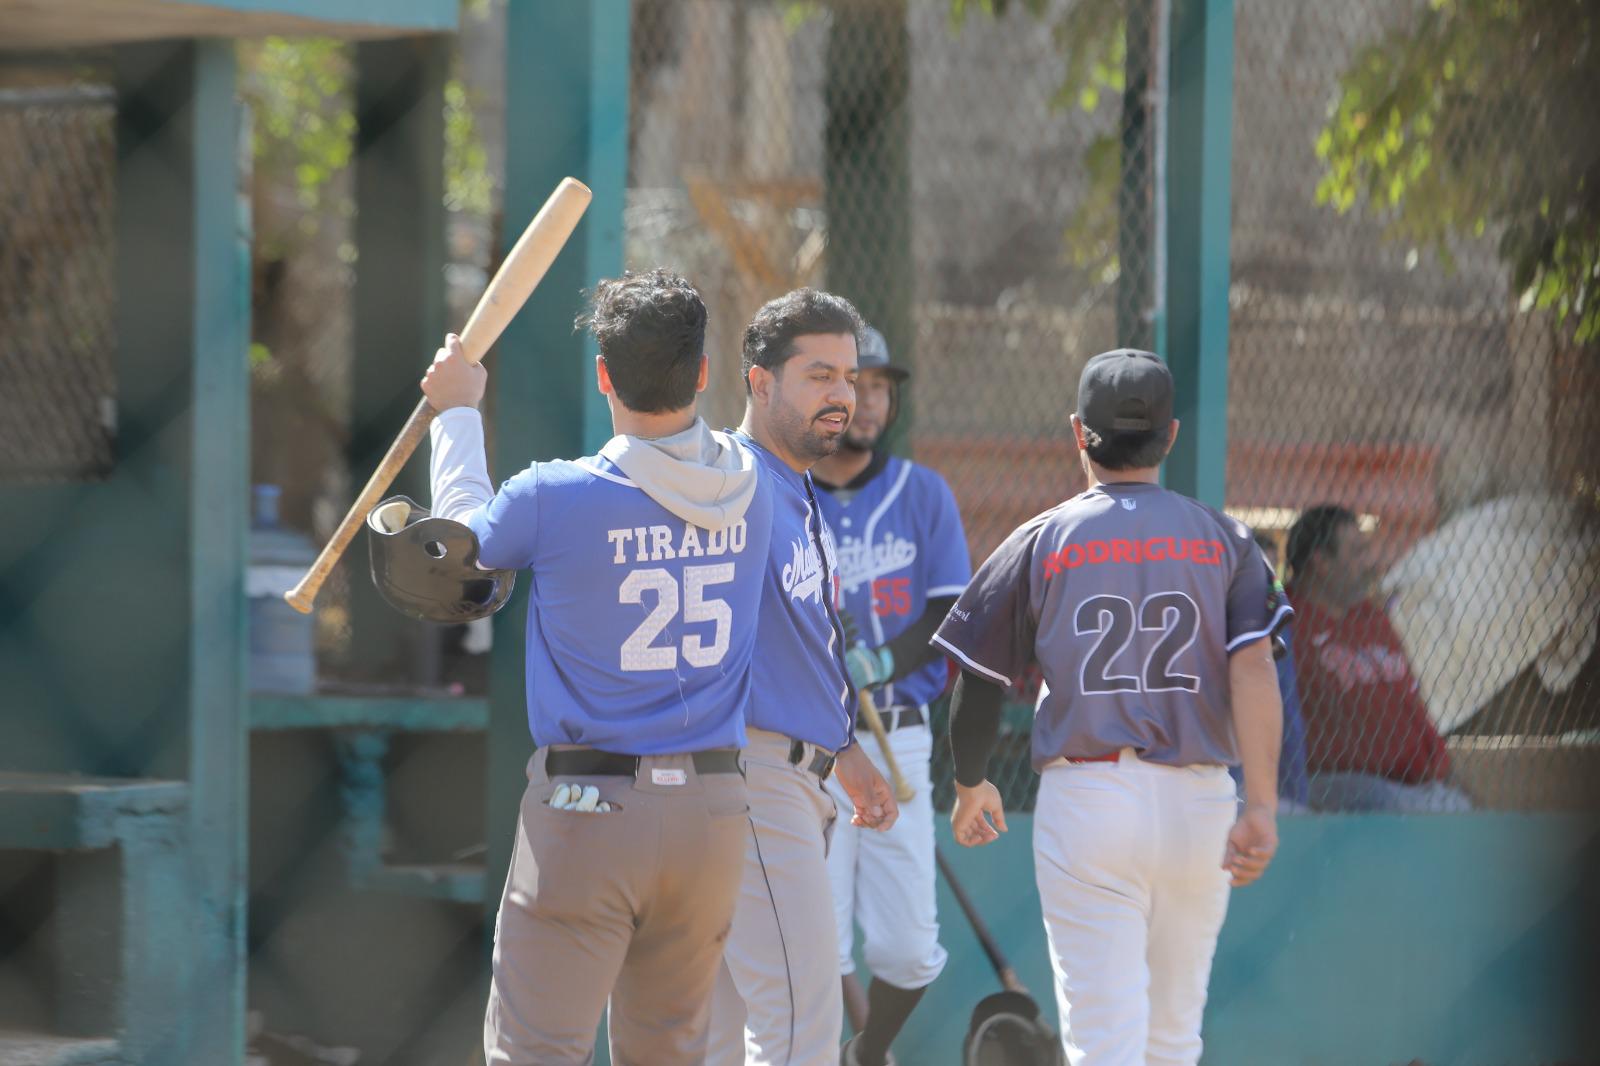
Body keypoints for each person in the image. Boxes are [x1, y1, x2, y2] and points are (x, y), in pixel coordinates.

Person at [421, 269, 774, 1065]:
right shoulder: (757, 489)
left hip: (589, 810)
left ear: (604, 376)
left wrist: (455, 415)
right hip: (714, 817)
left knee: (536, 1053)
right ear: (704, 373)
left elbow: (454, 556)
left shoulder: (554, 495)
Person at [932, 349, 1290, 1065]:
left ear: (1078, 432)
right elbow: (1254, 668)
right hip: (1199, 804)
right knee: (1173, 1035)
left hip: (1089, 799)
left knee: (1104, 1041)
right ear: (1172, 436)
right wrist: (1261, 805)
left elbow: (974, 675)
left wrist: (970, 783)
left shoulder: (1043, 537)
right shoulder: (1227, 539)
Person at [707, 289, 900, 1066]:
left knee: (719, 1033)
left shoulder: (795, 485)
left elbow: (795, 640)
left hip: (786, 772)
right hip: (752, 775)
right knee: (800, 1025)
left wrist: (843, 749)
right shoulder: (728, 476)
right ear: (760, 381)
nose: (843, 396)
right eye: (819, 375)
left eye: (850, 377)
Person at [810, 326, 971, 1066]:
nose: (869, 400)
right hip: (806, 740)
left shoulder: (922, 492)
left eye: (880, 386)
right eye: (855, 384)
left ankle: (865, 1048)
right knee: (815, 934)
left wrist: (877, 662)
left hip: (898, 730)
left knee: (910, 951)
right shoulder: (785, 493)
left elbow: (947, 614)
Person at [1284, 504, 1471, 813]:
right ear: (1321, 563)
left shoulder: (1372, 619)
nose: (1370, 563)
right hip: (1334, 784)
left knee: (1461, 808)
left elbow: (1411, 702)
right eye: (1357, 552)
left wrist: (1438, 762)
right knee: (1375, 799)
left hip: (1414, 784)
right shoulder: (1286, 624)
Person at [1240, 530, 1310, 811]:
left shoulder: (1278, 623)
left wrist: (1297, 795)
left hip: (1261, 785)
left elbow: (1288, 711)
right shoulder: (1214, 618)